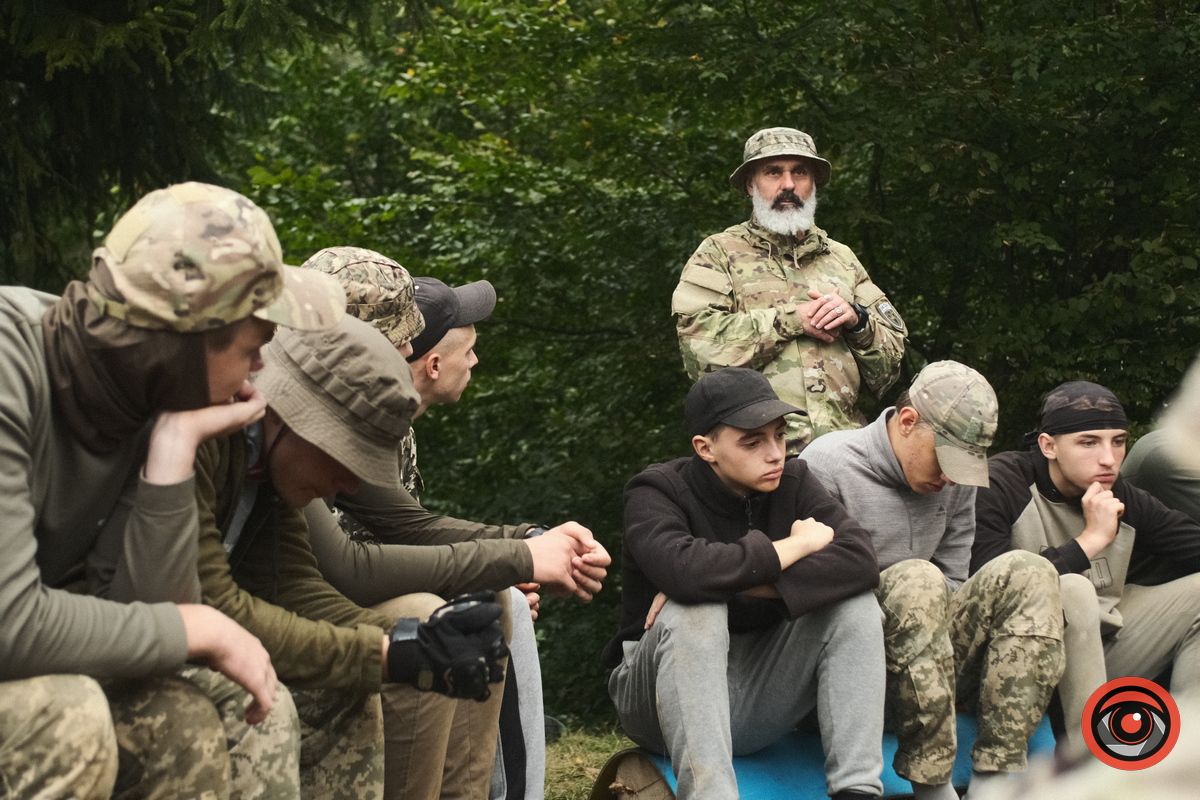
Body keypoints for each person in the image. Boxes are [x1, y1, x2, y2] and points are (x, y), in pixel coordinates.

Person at [0, 181, 347, 797]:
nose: (260, 369)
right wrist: (198, 627)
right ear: (185, 341)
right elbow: (10, 623)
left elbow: (141, 615)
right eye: (253, 347)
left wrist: (170, 454)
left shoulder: (138, 394)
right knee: (68, 716)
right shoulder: (10, 365)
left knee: (233, 710)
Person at [301, 247, 610, 800]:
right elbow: (348, 568)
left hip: (318, 604)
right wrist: (517, 558)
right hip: (287, 618)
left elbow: (407, 525)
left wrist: (530, 542)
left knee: (483, 600)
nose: (408, 351)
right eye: (401, 340)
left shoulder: (362, 418)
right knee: (432, 615)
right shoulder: (296, 418)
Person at [190, 313, 510, 800]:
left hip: (187, 634)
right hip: (132, 639)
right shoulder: (201, 435)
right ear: (299, 422)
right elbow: (211, 605)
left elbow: (295, 588)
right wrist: (387, 651)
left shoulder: (266, 463)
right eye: (348, 458)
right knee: (268, 705)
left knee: (350, 684)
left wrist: (413, 640)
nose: (351, 485)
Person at [604, 367, 885, 799]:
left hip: (756, 691)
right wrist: (793, 548)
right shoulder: (656, 490)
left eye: (778, 434)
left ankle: (858, 791)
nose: (775, 453)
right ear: (706, 447)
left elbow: (860, 562)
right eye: (752, 442)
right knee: (695, 609)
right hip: (657, 701)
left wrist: (730, 582)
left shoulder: (794, 479)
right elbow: (686, 575)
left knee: (855, 604)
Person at [800, 361, 1064, 800]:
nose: (949, 478)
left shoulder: (953, 483)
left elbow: (956, 581)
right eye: (944, 460)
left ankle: (995, 775)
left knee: (1032, 571)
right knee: (917, 578)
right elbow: (808, 598)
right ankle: (933, 784)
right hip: (844, 676)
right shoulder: (826, 466)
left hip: (931, 665)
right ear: (907, 422)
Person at [971, 381, 1200, 755]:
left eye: (1118, 441)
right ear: (1048, 446)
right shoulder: (1002, 484)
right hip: (1016, 664)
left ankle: (1187, 756)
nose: (1109, 458)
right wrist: (1089, 541)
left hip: (1106, 645)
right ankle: (1093, 762)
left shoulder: (1120, 494)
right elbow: (991, 594)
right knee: (1074, 589)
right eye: (1088, 442)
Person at [672, 126, 908, 451]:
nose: (788, 185)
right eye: (773, 172)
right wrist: (793, 320)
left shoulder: (842, 258)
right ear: (749, 184)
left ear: (814, 184)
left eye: (800, 172)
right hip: (765, 462)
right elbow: (700, 356)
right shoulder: (719, 253)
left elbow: (888, 373)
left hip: (849, 455)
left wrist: (858, 322)